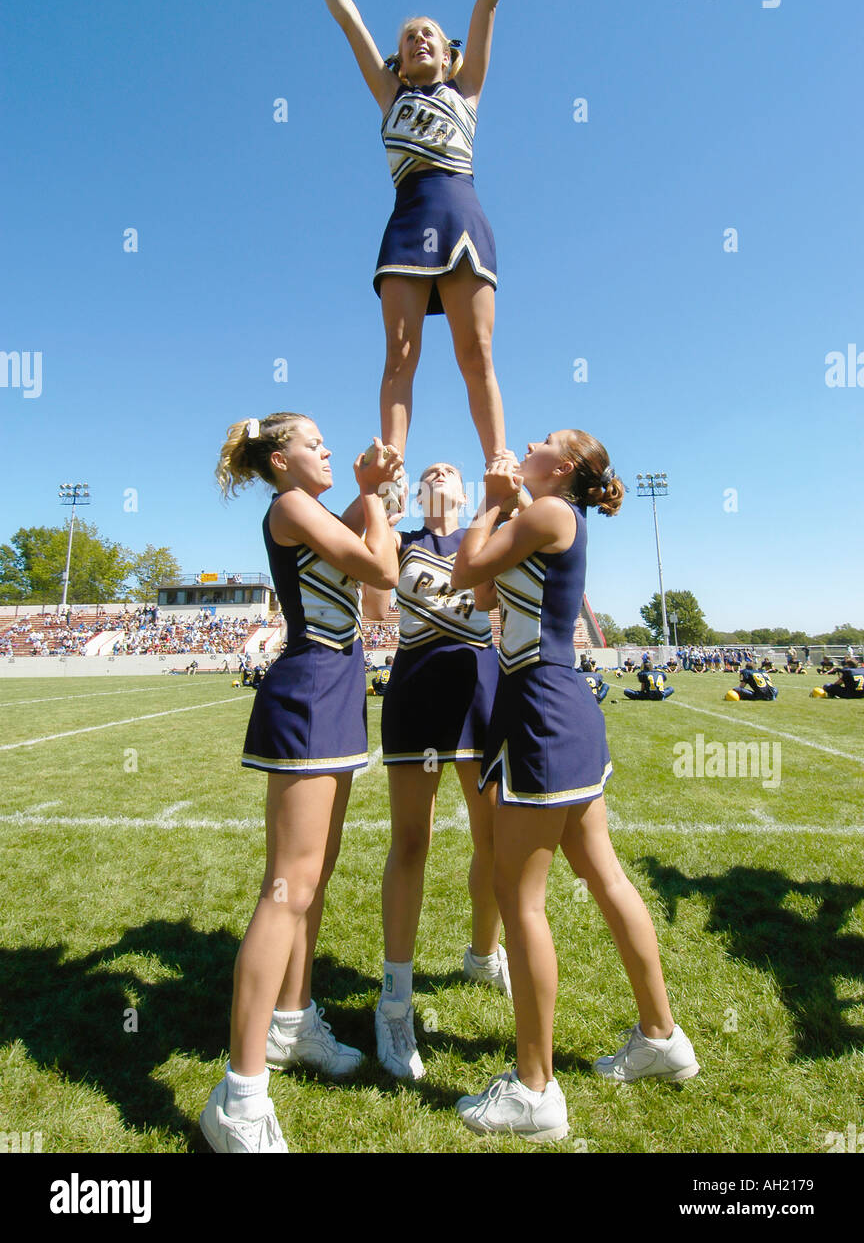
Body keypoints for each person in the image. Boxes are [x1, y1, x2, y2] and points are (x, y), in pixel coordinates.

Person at [449, 431, 698, 1141]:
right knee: (602, 874)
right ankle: (661, 1038)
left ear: (560, 469)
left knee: (517, 896)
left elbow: (467, 570)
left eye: (544, 442)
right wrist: (503, 507)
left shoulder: (549, 513)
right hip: (555, 707)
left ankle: (535, 1090)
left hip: (541, 711)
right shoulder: (548, 515)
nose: (527, 441)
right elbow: (494, 588)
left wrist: (490, 504)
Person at [199, 414, 401, 1154]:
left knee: (311, 884)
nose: (326, 448)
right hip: (310, 690)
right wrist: (373, 493)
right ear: (281, 461)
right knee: (286, 888)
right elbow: (380, 572)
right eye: (314, 443)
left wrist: (371, 489)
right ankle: (239, 1096)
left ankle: (293, 1023)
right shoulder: (288, 507)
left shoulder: (314, 511)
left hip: (339, 691)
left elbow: (363, 542)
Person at [298, 0, 540, 465]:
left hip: (462, 218)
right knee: (400, 353)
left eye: (430, 33)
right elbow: (350, 22)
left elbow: (487, 5)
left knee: (475, 352)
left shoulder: (468, 91)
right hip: (408, 221)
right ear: (399, 61)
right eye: (409, 38)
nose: (420, 39)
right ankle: (391, 468)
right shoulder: (389, 97)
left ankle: (497, 463)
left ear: (449, 53)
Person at [364, 461, 509, 1080]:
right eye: (431, 468)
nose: (441, 472)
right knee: (411, 840)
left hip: (479, 687)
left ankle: (484, 954)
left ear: (465, 489)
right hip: (418, 687)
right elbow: (373, 607)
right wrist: (379, 524)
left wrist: (496, 514)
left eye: (450, 468)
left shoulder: (489, 533)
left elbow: (497, 602)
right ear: (418, 491)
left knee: (495, 840)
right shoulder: (400, 540)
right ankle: (394, 999)